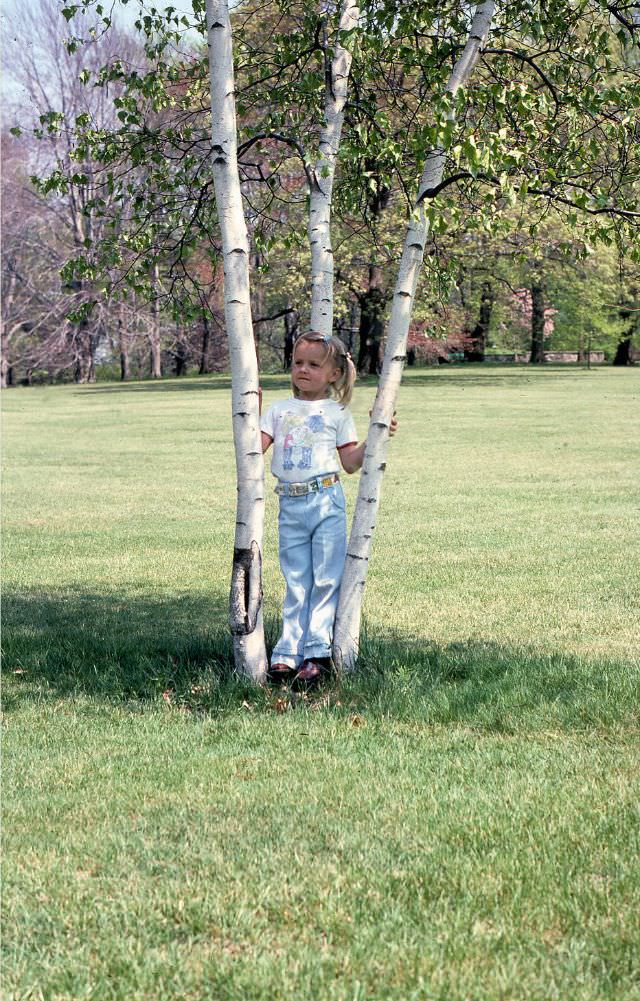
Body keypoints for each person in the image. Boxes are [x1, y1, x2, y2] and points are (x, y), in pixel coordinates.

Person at [260, 331, 397, 689]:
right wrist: (248, 410)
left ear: (333, 374)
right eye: (297, 363)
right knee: (296, 581)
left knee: (325, 579)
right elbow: (252, 448)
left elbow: (350, 463)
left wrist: (376, 436)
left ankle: (317, 654)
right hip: (289, 503)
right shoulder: (279, 411)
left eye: (313, 365)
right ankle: (286, 654)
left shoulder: (337, 413)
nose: (302, 370)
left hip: (326, 501)